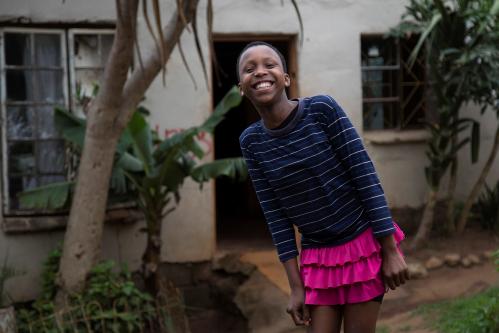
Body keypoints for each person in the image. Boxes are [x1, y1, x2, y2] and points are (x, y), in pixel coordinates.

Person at [237, 41, 409, 333]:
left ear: (286, 78)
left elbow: (365, 176)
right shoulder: (251, 141)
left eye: (270, 64)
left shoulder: (321, 110)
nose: (260, 72)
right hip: (317, 257)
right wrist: (295, 286)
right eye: (249, 69)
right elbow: (276, 216)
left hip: (361, 244)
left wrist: (390, 250)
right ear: (241, 86)